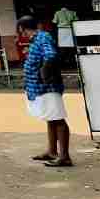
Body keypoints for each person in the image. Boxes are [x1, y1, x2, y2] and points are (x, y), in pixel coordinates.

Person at [18, 15, 72, 167]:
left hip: (47, 86)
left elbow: (50, 55)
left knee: (58, 119)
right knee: (51, 118)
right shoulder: (37, 39)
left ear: (22, 28)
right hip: (40, 88)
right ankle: (52, 151)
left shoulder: (43, 37)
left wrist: (44, 74)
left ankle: (65, 156)